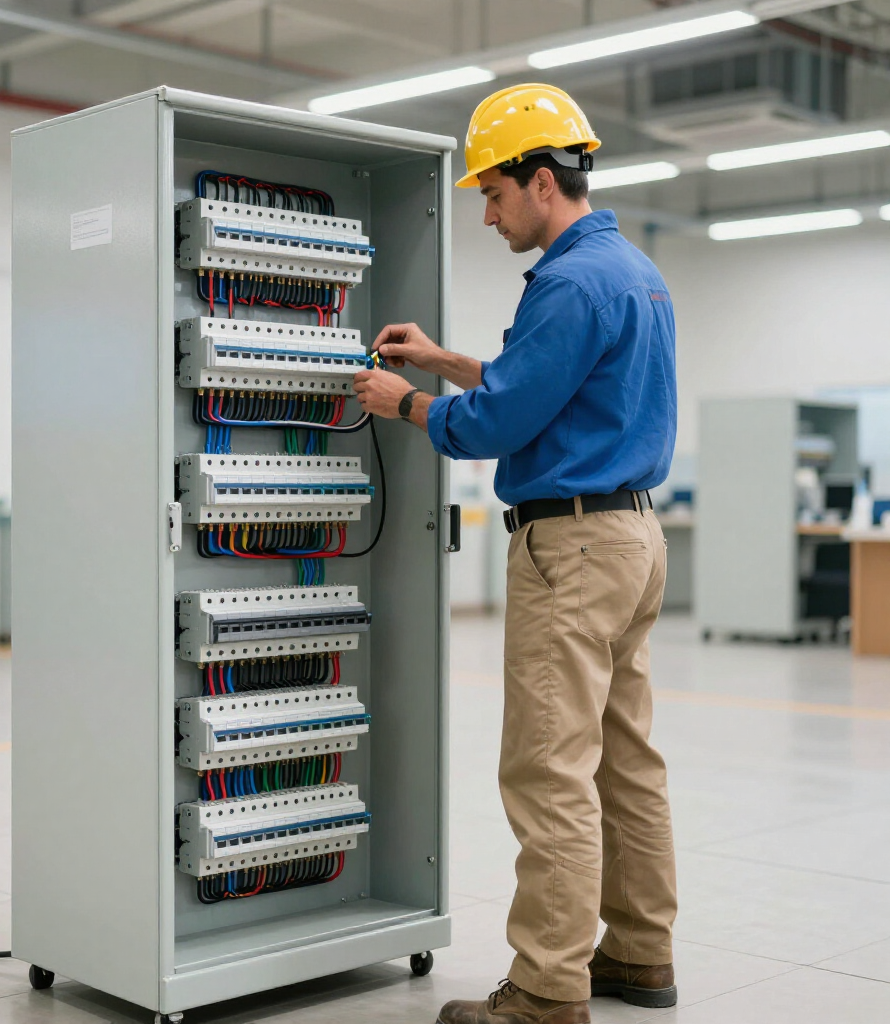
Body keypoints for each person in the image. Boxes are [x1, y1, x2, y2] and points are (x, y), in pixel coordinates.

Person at [353, 83, 679, 1024]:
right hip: (633, 538)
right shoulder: (631, 271)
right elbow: (551, 387)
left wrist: (406, 405)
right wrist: (449, 361)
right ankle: (638, 955)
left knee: (549, 769)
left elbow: (497, 422)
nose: (487, 215)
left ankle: (544, 989)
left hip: (572, 549)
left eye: (493, 194)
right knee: (626, 762)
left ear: (543, 181)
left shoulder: (569, 282)